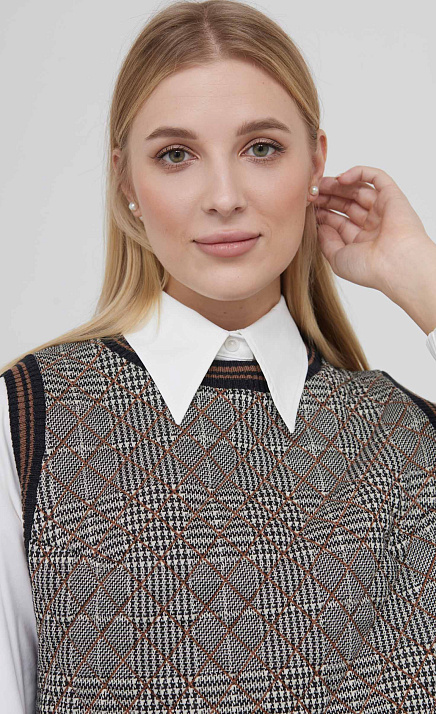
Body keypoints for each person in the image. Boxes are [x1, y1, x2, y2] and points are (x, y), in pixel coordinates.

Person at [1, 0, 435, 711]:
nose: (225, 198)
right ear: (126, 181)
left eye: (261, 148)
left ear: (316, 162)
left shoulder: (411, 437)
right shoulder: (29, 420)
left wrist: (423, 278)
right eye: (176, 155)